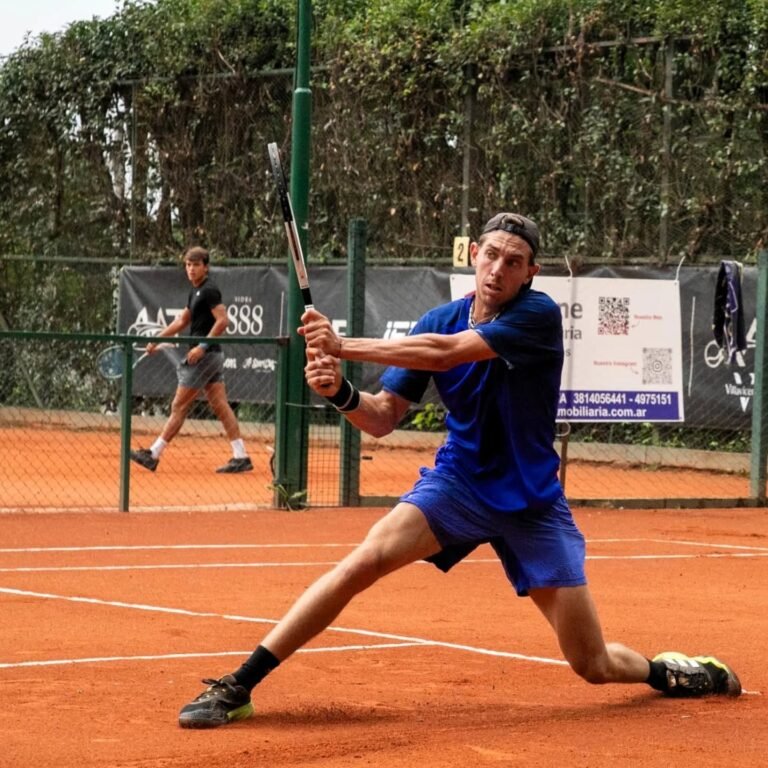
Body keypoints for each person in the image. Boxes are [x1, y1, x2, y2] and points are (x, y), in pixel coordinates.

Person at [177, 213, 741, 728]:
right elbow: (380, 420)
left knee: (591, 664)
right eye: (491, 254)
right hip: (459, 485)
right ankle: (239, 686)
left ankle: (665, 671)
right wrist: (341, 392)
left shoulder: (536, 316)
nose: (499, 268)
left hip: (531, 503)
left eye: (513, 261)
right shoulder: (439, 316)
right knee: (360, 563)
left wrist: (343, 345)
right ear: (473, 253)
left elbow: (445, 353)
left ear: (530, 273)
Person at [130, 246, 253, 475]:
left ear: (205, 267)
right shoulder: (194, 291)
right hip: (212, 357)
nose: (191, 269)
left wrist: (202, 347)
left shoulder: (209, 290)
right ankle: (241, 456)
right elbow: (181, 321)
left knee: (179, 405)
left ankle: (153, 454)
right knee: (220, 405)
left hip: (205, 356)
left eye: (196, 265)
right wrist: (157, 339)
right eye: (188, 265)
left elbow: (223, 321)